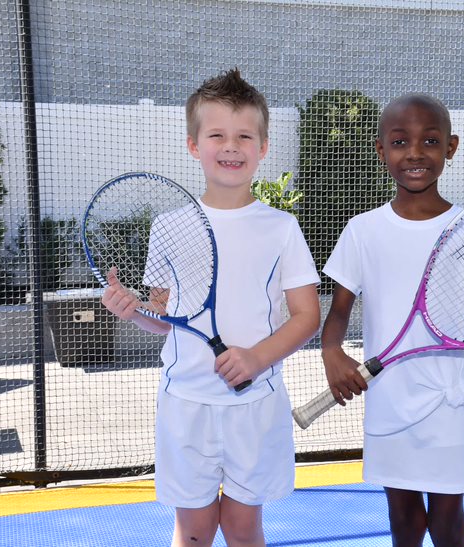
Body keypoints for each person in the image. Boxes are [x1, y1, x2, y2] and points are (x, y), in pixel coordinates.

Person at [101, 68, 320, 547]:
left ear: (263, 148)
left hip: (255, 407)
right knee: (194, 532)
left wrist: (256, 358)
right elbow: (163, 320)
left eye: (245, 135)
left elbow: (307, 316)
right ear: (193, 145)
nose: (231, 146)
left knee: (243, 530)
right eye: (217, 134)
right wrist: (131, 309)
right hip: (186, 408)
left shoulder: (281, 227)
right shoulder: (168, 226)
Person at [320, 93, 464, 547]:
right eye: (401, 142)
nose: (416, 153)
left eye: (431, 141)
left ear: (451, 147)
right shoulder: (362, 230)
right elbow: (339, 308)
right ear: (382, 150)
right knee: (402, 517)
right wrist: (331, 352)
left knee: (447, 518)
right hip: (388, 398)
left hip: (449, 399)